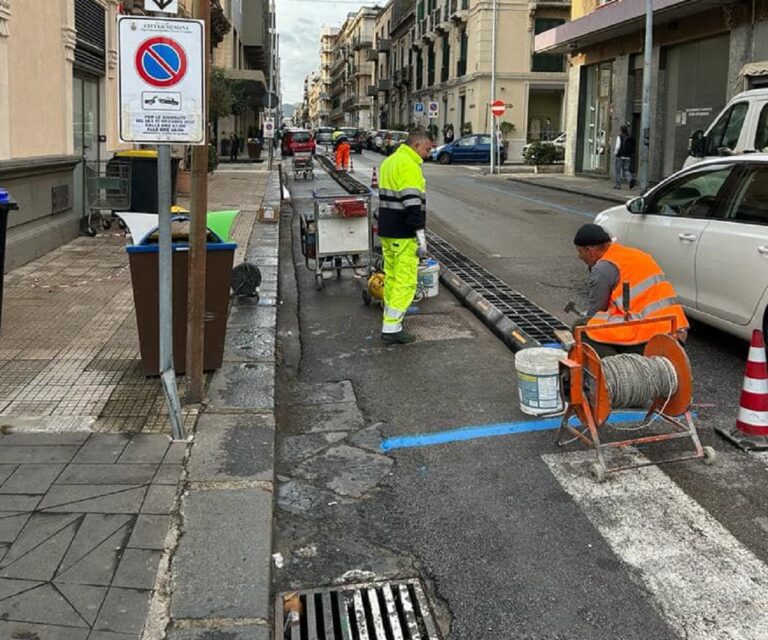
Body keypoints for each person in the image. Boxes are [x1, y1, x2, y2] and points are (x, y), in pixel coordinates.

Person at [573, 223, 689, 357]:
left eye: (580, 251)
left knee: (581, 328)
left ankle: (617, 370)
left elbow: (595, 312)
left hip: (648, 335)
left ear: (590, 251)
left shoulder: (603, 268)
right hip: (676, 330)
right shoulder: (635, 254)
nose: (579, 257)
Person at [378, 128, 434, 345]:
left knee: (392, 278)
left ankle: (390, 320)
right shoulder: (409, 166)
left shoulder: (389, 162)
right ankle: (392, 328)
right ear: (416, 145)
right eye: (427, 148)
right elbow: (412, 205)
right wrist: (420, 236)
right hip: (403, 233)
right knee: (406, 281)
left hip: (388, 231)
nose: (429, 153)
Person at [613, 124, 636, 189]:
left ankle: (618, 185)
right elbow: (634, 146)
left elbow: (617, 146)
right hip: (628, 156)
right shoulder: (630, 137)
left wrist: (615, 153)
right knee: (626, 170)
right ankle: (630, 179)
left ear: (621, 130)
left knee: (618, 171)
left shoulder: (619, 137)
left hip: (620, 156)